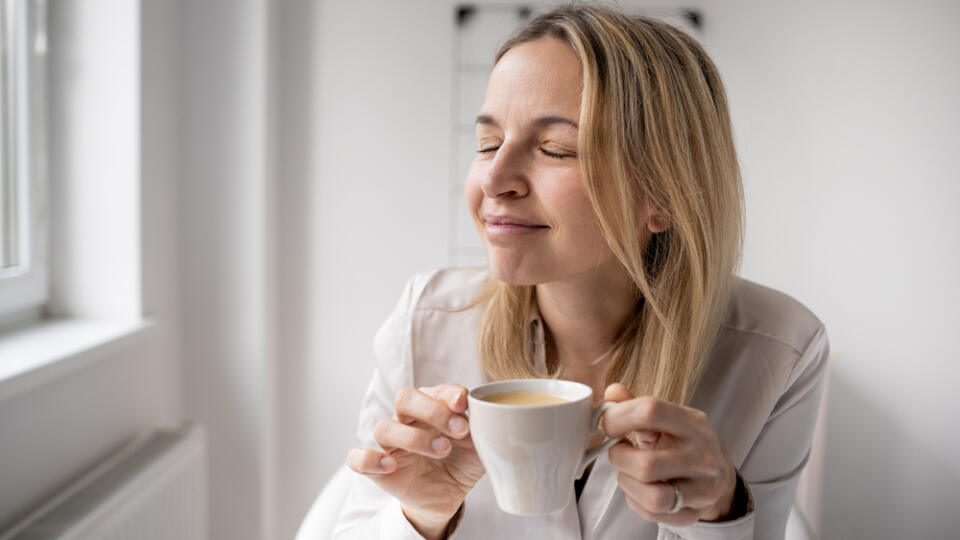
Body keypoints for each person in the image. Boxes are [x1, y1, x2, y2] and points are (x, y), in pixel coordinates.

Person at [333, 5, 828, 540]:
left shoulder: (780, 350)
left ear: (663, 194)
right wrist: (420, 517)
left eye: (555, 149)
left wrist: (719, 515)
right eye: (487, 144)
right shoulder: (424, 322)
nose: (496, 180)